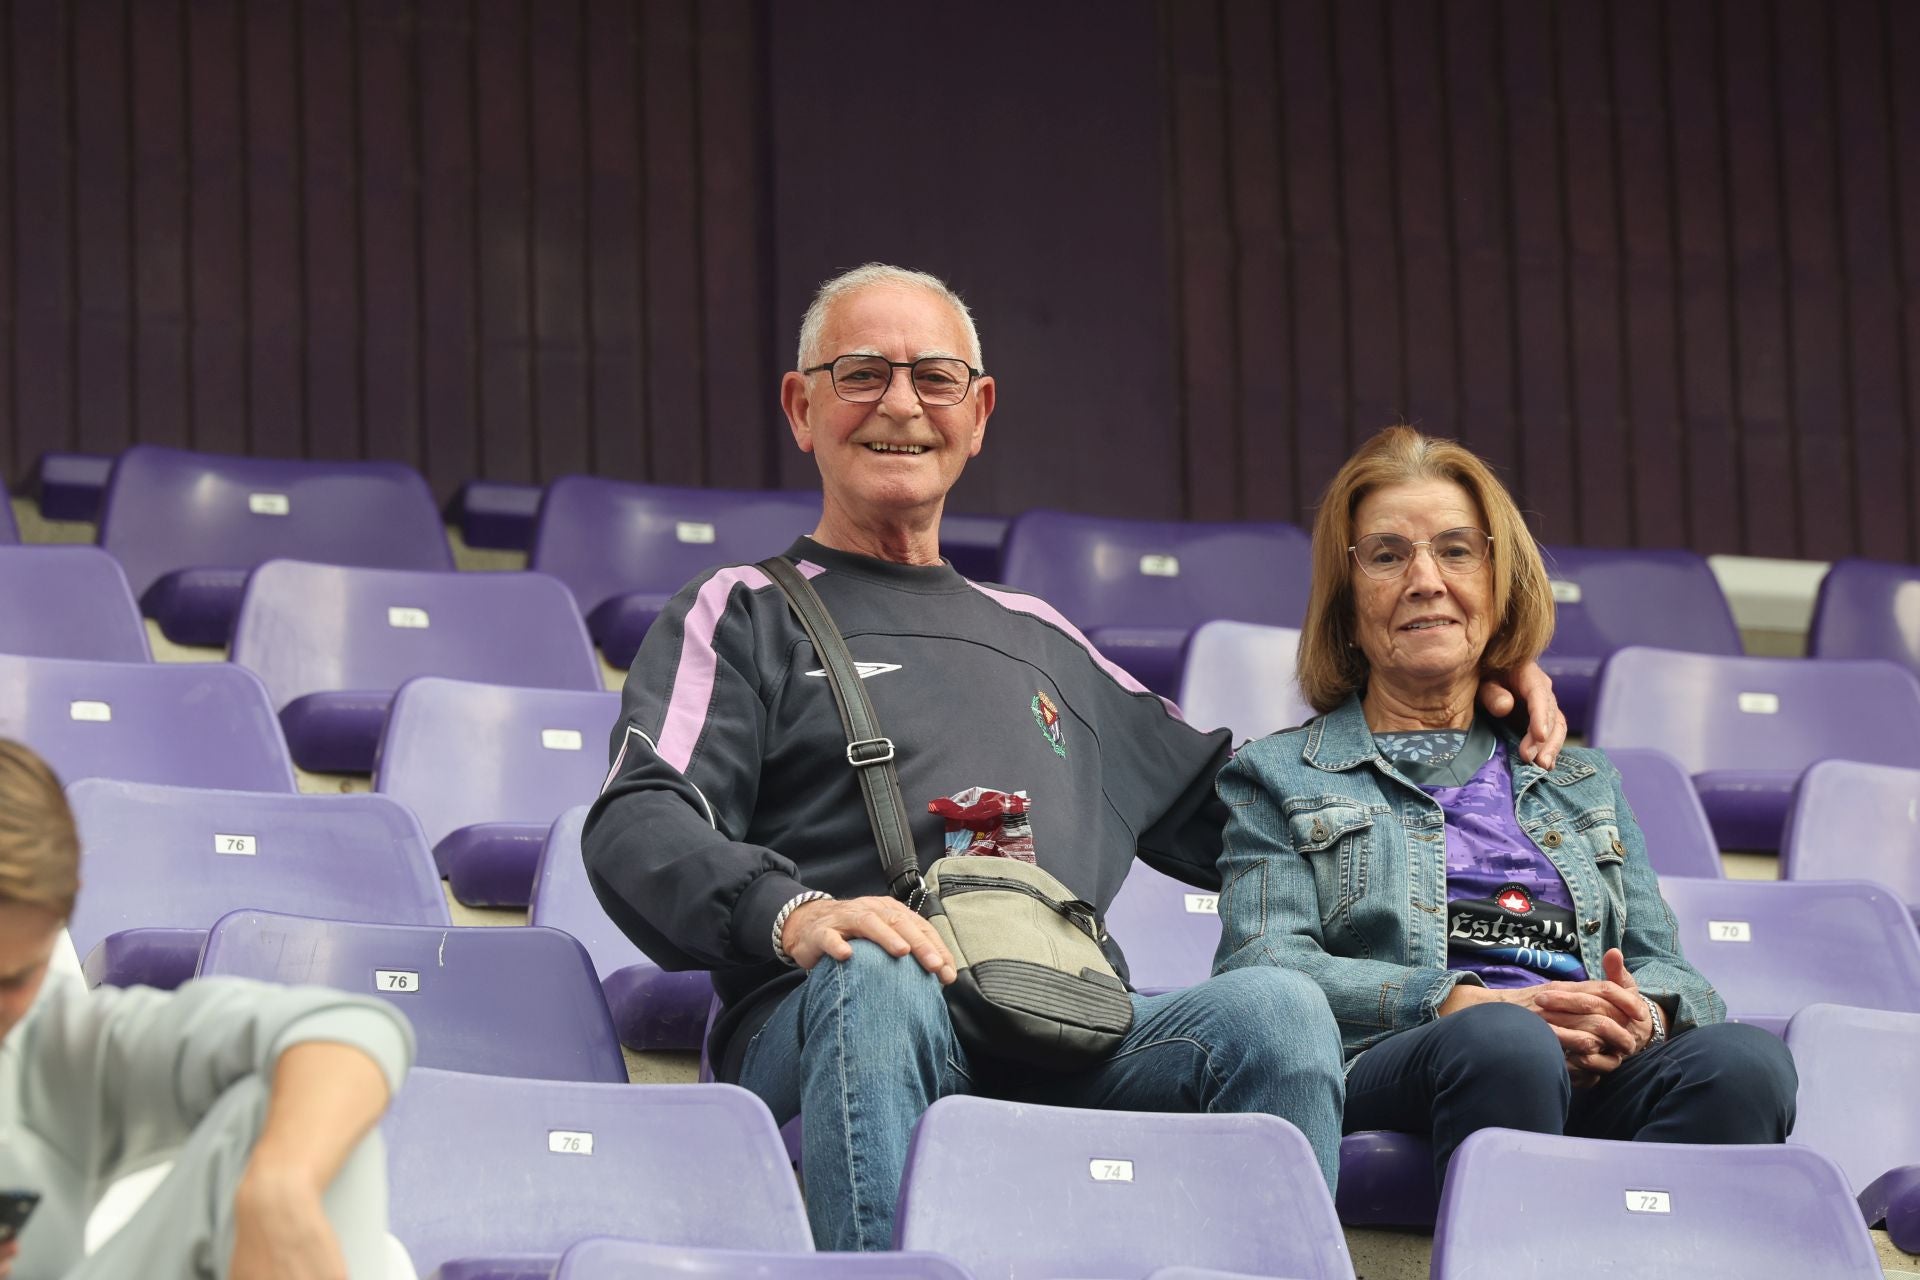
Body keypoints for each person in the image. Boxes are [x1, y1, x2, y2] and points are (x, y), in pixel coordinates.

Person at [581, 264, 1566, 1251]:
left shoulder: (1044, 636)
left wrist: (1446, 706)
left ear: (978, 412)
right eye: (861, 374)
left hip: (1063, 1014)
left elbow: (1275, 808)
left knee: (1276, 1008)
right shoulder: (744, 609)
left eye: (934, 378)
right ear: (802, 407)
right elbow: (639, 817)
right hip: (848, 1015)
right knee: (875, 967)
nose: (900, 405)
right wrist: (796, 914)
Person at [1212, 425, 1797, 1195]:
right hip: (1415, 1058)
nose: (1426, 579)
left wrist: (1637, 1015)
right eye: (1388, 555)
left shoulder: (1582, 780)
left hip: (1588, 1071)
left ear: (1497, 583)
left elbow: (1672, 969)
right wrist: (1461, 1000)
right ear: (1348, 604)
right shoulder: (1278, 774)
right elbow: (1264, 966)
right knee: (1504, 1041)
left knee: (1748, 1064)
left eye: (1457, 551)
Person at [0, 738, 414, 1280]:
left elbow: (351, 1029)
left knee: (288, 1111)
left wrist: (279, 1189)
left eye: (15, 979)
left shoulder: (54, 1039)